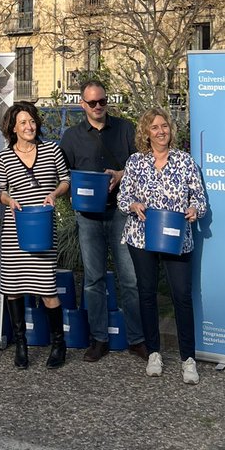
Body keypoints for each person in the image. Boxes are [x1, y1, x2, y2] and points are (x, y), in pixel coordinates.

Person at [117, 108, 206, 385]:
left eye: (164, 126)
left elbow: (200, 199)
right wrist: (132, 204)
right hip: (142, 237)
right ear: (146, 133)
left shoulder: (185, 161)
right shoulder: (135, 162)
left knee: (182, 295)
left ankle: (188, 359)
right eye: (154, 127)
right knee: (147, 293)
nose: (161, 131)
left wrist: (194, 209)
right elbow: (123, 198)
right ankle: (154, 352)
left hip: (176, 238)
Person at [61, 80, 145, 363]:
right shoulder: (72, 137)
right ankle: (99, 339)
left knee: (130, 279)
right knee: (93, 279)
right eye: (92, 103)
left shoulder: (124, 129)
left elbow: (141, 165)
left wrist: (122, 174)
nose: (99, 107)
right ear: (82, 105)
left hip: (122, 212)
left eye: (102, 101)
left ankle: (137, 339)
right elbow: (65, 174)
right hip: (88, 217)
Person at [0, 101, 70, 370]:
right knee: (13, 290)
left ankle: (58, 344)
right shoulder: (3, 157)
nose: (29, 126)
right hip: (15, 230)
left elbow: (66, 179)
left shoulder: (51, 150)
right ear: (13, 128)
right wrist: (7, 200)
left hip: (43, 228)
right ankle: (21, 344)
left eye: (32, 121)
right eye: (23, 123)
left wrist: (54, 194)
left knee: (47, 288)